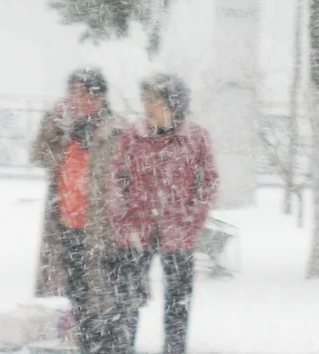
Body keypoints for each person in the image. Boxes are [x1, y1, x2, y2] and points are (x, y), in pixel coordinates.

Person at [105, 73, 219, 354]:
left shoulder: (196, 137)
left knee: (178, 302)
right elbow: (117, 179)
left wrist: (192, 219)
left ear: (173, 103)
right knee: (126, 301)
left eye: (154, 100)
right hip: (136, 231)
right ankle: (122, 349)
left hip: (178, 233)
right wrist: (122, 218)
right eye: (146, 99)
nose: (147, 105)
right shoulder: (133, 135)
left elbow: (209, 181)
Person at [30, 67, 127, 353]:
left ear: (100, 97)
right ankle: (86, 345)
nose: (76, 99)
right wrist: (53, 124)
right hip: (68, 227)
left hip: (102, 230)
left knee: (105, 301)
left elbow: (127, 178)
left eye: (83, 93)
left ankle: (105, 346)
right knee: (78, 297)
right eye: (73, 93)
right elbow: (39, 156)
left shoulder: (116, 130)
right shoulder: (66, 129)